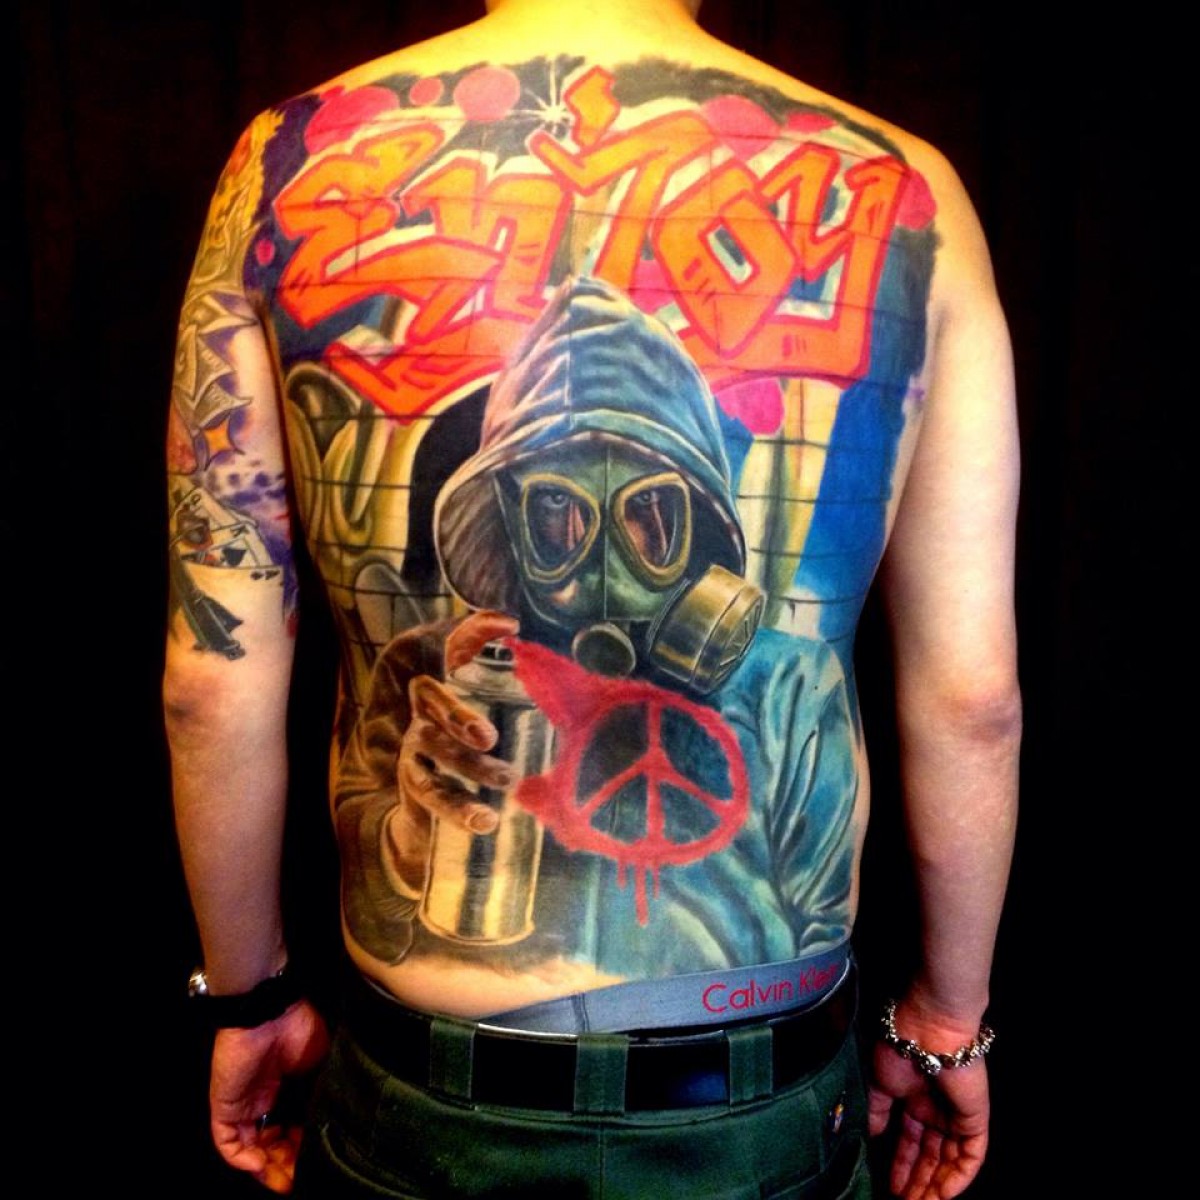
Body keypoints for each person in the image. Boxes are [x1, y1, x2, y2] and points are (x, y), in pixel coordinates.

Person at [164, 1, 1019, 1197]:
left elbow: (212, 681)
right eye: (558, 520)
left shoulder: (280, 166)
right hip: (756, 1114)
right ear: (503, 534)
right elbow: (973, 700)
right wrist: (945, 1024)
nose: (604, 570)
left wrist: (247, 999)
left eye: (651, 519)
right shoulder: (911, 191)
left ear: (707, 540)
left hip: (421, 1101)